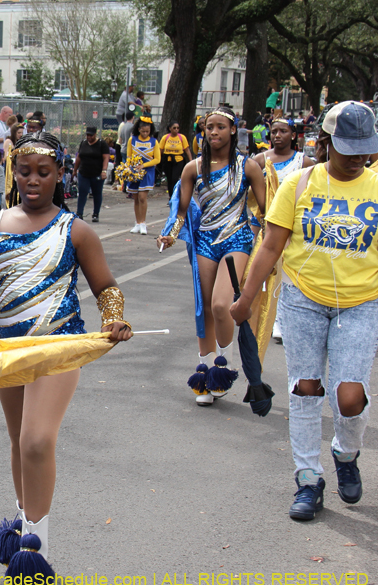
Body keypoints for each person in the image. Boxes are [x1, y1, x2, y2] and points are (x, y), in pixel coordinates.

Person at [0, 131, 132, 585]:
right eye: (25, 172)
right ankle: (24, 533)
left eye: (43, 172)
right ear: (13, 174)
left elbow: (106, 288)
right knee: (19, 442)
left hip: (58, 347)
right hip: (7, 350)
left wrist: (114, 319)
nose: (33, 180)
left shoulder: (76, 230)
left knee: (37, 441)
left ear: (60, 175)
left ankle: (35, 551)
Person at [229, 101, 378, 521]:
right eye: (348, 149)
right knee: (306, 388)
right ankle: (308, 479)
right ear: (326, 142)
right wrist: (246, 300)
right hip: (303, 301)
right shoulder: (298, 184)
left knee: (350, 396)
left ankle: (345, 453)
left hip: (361, 303)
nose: (358, 158)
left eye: (364, 149)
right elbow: (271, 247)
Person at [157, 107, 266, 406]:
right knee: (205, 307)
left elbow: (265, 210)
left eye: (220, 126)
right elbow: (181, 212)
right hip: (205, 241)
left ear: (233, 130)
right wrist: (170, 234)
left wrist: (261, 241)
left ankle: (223, 368)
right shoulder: (193, 168)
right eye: (209, 127)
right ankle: (205, 372)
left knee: (221, 305)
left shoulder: (248, 167)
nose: (214, 132)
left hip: (237, 240)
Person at [251, 114, 315, 341]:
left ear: (294, 135)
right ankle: (257, 314)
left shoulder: (304, 163)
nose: (277, 135)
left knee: (285, 272)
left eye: (283, 131)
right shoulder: (259, 160)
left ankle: (279, 319)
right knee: (261, 269)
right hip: (264, 222)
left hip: (291, 225)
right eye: (274, 131)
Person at [126, 113, 160, 234]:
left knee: (142, 197)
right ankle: (137, 223)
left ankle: (143, 223)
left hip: (147, 171)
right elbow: (129, 156)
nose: (145, 133)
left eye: (148, 131)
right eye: (143, 131)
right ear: (139, 129)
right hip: (135, 172)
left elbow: (157, 159)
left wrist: (144, 166)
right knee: (135, 198)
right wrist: (129, 168)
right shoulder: (132, 140)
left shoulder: (154, 141)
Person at [73, 126, 110, 222]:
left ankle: (96, 213)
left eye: (91, 135)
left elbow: (106, 158)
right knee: (82, 192)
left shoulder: (102, 144)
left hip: (97, 174)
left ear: (95, 134)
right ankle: (79, 213)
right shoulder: (83, 143)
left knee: (97, 193)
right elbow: (79, 157)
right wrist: (75, 170)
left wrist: (104, 171)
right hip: (84, 173)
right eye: (87, 135)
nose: (89, 137)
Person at [159, 121, 193, 199]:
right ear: (170, 129)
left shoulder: (182, 137)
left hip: (178, 160)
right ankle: (171, 196)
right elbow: (160, 150)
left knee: (175, 178)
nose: (176, 130)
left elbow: (187, 150)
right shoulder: (165, 137)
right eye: (174, 128)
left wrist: (191, 160)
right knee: (169, 179)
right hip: (168, 160)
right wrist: (158, 160)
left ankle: (176, 195)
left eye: (178, 128)